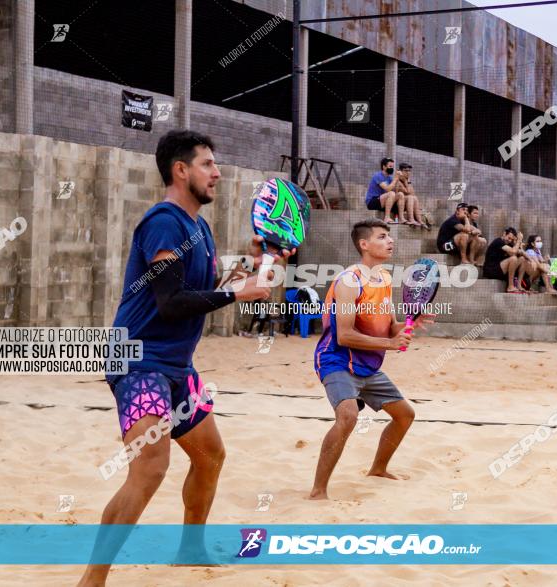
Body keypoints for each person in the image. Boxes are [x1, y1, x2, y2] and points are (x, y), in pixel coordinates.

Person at [78, 130, 291, 586]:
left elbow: (201, 289)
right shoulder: (164, 222)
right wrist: (237, 291)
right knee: (151, 468)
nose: (217, 173)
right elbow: (170, 301)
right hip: (137, 359)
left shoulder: (199, 227)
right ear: (181, 170)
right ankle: (92, 580)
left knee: (211, 455)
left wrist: (255, 265)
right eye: (208, 164)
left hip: (175, 364)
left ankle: (190, 547)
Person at [310, 219, 432, 500]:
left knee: (405, 415)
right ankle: (318, 491)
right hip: (336, 359)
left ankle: (378, 469)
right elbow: (344, 335)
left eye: (389, 236)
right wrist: (390, 343)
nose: (390, 241)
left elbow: (390, 327)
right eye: (382, 236)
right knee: (348, 416)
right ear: (364, 244)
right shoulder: (349, 281)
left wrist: (411, 323)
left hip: (368, 365)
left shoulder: (384, 279)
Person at [482, 227, 529, 292]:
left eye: (511, 239)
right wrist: (518, 241)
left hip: (500, 270)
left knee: (522, 259)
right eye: (509, 238)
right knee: (513, 259)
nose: (509, 240)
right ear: (504, 234)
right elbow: (513, 252)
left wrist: (518, 243)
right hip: (491, 271)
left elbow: (526, 257)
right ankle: (510, 286)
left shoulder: (509, 244)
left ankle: (519, 285)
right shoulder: (498, 241)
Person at [365, 157, 403, 224]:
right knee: (391, 193)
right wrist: (395, 178)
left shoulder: (389, 178)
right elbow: (388, 189)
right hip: (372, 202)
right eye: (390, 166)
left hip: (382, 201)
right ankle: (387, 217)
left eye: (392, 167)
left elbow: (395, 192)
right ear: (384, 167)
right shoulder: (378, 176)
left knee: (400, 194)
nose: (392, 168)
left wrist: (398, 180)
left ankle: (401, 218)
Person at [393, 163, 428, 228]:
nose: (408, 172)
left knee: (414, 197)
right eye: (406, 171)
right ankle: (411, 219)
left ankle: (419, 220)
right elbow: (408, 192)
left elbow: (412, 193)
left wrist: (407, 181)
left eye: (409, 171)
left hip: (405, 203)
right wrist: (407, 182)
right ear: (400, 171)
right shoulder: (397, 180)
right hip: (396, 205)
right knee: (411, 197)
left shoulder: (406, 180)